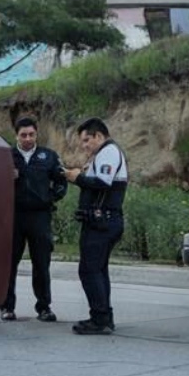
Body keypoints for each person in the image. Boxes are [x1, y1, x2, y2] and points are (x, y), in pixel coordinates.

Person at [64, 117, 127, 335]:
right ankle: (104, 316)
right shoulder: (102, 154)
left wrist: (78, 178)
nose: (84, 146)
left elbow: (102, 183)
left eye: (86, 140)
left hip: (103, 222)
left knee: (90, 270)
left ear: (99, 136)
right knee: (98, 270)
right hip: (101, 221)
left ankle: (99, 319)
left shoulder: (109, 151)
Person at [1, 116, 68, 322]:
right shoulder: (6, 157)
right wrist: (6, 178)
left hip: (40, 217)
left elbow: (61, 182)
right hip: (14, 217)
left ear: (36, 134)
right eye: (23, 135)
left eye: (31, 134)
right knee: (9, 264)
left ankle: (44, 307)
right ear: (16, 136)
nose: (28, 138)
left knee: (41, 263)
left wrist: (50, 198)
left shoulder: (48, 157)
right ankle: (6, 306)